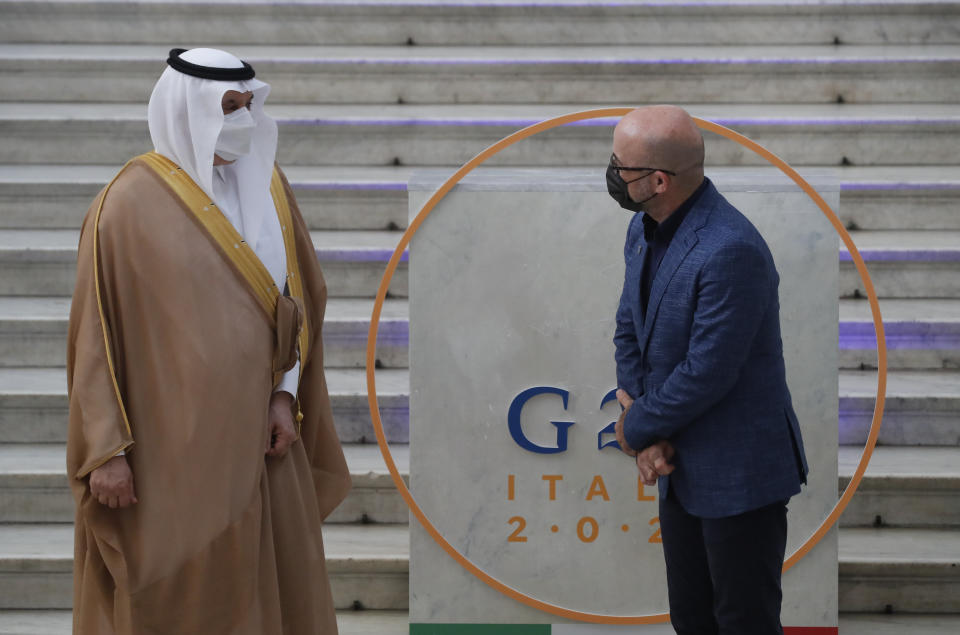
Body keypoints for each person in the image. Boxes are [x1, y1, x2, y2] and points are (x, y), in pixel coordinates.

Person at [66, 48, 351, 634]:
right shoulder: (125, 204)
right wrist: (106, 451)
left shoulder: (269, 187)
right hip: (168, 455)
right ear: (187, 111)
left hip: (261, 441)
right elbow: (95, 338)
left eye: (248, 105)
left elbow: (297, 301)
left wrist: (284, 394)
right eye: (227, 108)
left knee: (272, 589)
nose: (243, 121)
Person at [608, 105, 809, 635]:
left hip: (738, 473)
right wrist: (649, 432)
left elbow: (708, 372)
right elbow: (631, 328)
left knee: (743, 622)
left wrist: (634, 428)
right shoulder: (642, 227)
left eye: (619, 165)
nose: (611, 172)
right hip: (678, 469)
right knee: (692, 619)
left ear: (657, 180)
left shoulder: (731, 249)